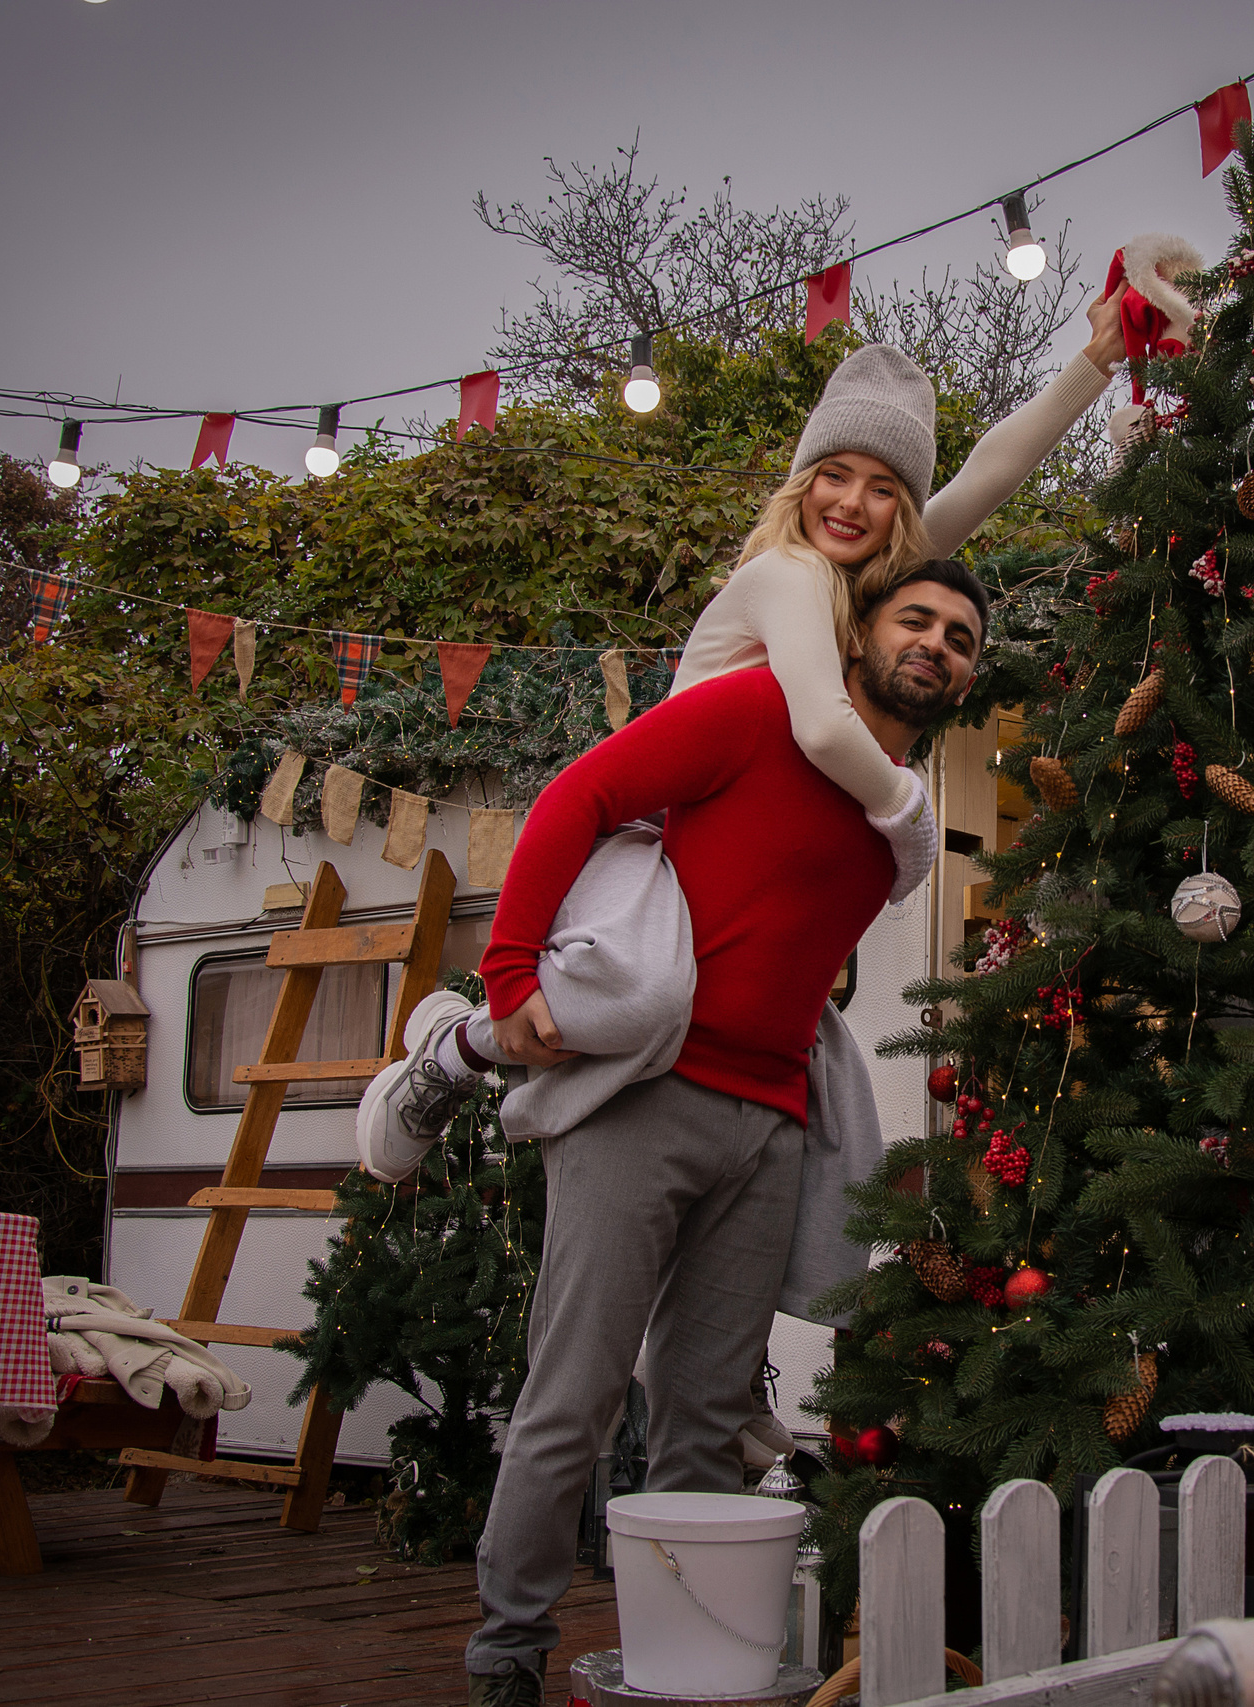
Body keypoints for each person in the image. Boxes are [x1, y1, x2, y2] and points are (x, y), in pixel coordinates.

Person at [354, 292, 1127, 1178]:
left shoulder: (871, 587)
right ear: (803, 481)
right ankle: (456, 1051)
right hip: (653, 844)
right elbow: (823, 725)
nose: (851, 501)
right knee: (642, 997)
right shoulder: (788, 575)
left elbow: (987, 478)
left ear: (901, 513)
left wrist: (1094, 363)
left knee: (770, 1031)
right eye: (833, 473)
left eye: (884, 489)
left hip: (721, 855)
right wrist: (903, 810)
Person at [456, 565, 988, 1706]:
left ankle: (679, 1667)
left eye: (960, 636)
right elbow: (578, 798)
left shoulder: (898, 805)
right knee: (576, 1393)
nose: (936, 644)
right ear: (858, 630)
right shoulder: (756, 712)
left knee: (704, 1416)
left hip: (771, 1129)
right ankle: (506, 1657)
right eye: (916, 619)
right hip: (642, 1104)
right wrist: (507, 977)